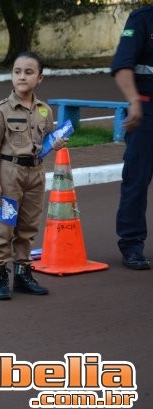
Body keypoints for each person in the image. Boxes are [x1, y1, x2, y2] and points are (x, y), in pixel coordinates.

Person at [0, 51, 69, 300]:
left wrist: (55, 144)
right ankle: (0, 275)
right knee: (5, 226)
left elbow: (43, 144)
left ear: (39, 78)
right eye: (17, 71)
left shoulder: (45, 111)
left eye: (29, 72)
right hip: (9, 173)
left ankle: (22, 274)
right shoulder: (1, 109)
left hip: (35, 173)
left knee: (28, 226)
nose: (22, 77)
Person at [111, 6, 153, 271]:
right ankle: (132, 245)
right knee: (136, 180)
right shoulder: (141, 20)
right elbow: (123, 64)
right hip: (146, 111)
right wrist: (133, 101)